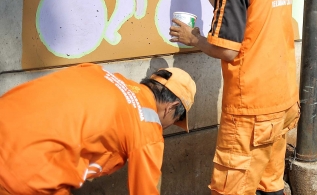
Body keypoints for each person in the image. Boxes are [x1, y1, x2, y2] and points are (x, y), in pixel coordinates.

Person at [169, 0, 299, 194]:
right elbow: (241, 14)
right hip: (281, 103)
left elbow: (228, 48)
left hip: (250, 112)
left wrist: (195, 39)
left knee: (230, 189)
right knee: (271, 184)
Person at [0, 63, 196, 195]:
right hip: (19, 173)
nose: (168, 127)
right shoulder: (148, 125)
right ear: (171, 108)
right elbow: (146, 190)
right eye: (175, 120)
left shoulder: (98, 71)